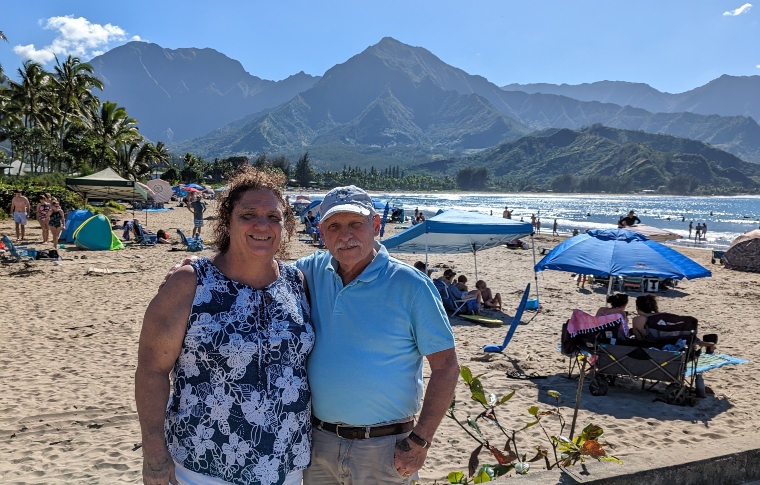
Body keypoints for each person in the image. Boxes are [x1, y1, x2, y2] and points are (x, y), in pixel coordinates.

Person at [136, 168, 312, 485]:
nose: (262, 225)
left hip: (286, 465)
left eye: (273, 216)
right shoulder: (191, 282)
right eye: (249, 214)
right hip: (203, 466)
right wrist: (154, 457)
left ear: (285, 225)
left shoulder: (297, 283)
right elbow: (152, 370)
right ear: (228, 221)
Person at [298, 185, 459, 483]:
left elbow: (447, 366)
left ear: (375, 225)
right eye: (334, 226)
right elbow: (262, 273)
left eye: (355, 224)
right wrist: (200, 268)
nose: (345, 235)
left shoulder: (411, 284)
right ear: (322, 233)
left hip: (385, 448)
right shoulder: (309, 271)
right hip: (319, 443)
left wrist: (421, 441)